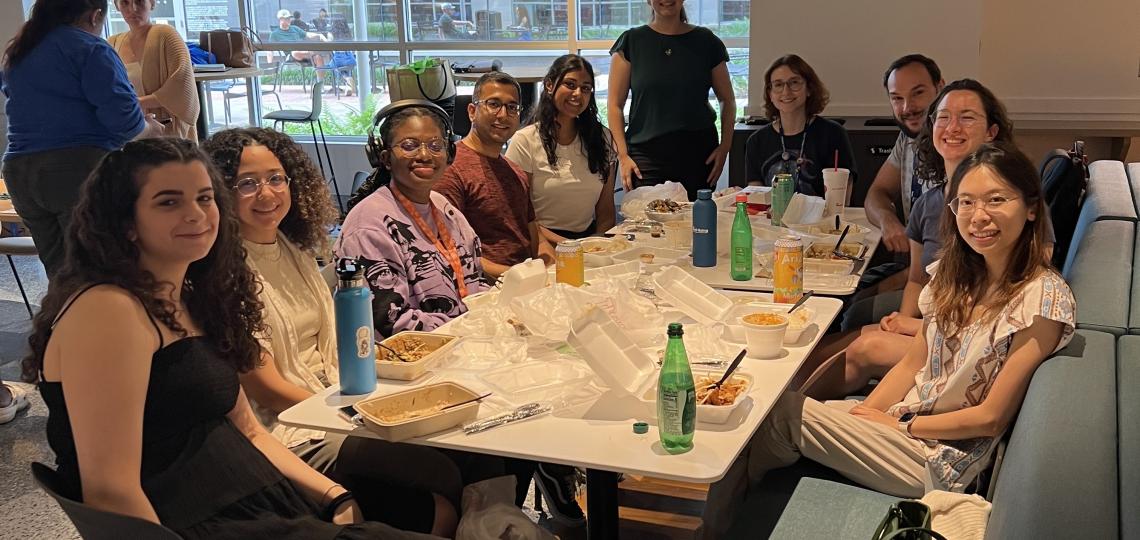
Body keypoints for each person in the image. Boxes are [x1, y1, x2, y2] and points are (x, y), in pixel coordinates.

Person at [25, 138, 439, 539]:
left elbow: (250, 433)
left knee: (441, 510)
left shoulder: (191, 296)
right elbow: (110, 491)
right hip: (207, 520)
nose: (196, 215)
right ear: (125, 223)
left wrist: (335, 496)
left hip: (262, 497)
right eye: (169, 202)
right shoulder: (108, 309)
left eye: (205, 198)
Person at [739, 142, 1074, 517]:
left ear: (1031, 208)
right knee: (762, 417)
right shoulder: (958, 276)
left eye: (996, 200)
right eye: (966, 202)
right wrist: (867, 416)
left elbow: (991, 416)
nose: (978, 216)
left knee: (779, 411)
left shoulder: (1042, 297)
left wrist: (903, 426)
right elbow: (912, 364)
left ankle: (723, 525)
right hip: (905, 428)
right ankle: (757, 511)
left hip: (940, 462)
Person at [204, 128, 497, 536]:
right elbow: (266, 389)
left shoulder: (295, 249)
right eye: (247, 184)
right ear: (218, 191)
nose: (267, 194)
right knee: (440, 474)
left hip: (336, 395)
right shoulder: (223, 273)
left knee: (474, 443)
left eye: (276, 178)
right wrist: (356, 414)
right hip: (291, 428)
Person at [819, 79, 1057, 398]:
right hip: (939, 324)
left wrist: (918, 328)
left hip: (976, 344)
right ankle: (783, 406)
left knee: (863, 344)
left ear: (992, 132)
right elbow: (918, 279)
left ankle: (785, 421)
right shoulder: (928, 203)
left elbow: (1021, 296)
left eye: (967, 117)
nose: (952, 126)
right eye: (943, 117)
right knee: (830, 345)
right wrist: (904, 319)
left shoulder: (1014, 206)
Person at [1, 0, 161, 277]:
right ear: (95, 15)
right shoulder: (90, 48)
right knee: (101, 270)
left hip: (19, 171)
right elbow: (124, 122)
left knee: (61, 274)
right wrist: (151, 129)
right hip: (74, 169)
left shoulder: (21, 50)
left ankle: (66, 320)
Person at [339, 102, 492, 337]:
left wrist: (495, 311)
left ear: (449, 153)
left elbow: (475, 279)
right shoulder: (368, 226)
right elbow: (391, 321)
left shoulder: (444, 207)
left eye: (435, 145)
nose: (424, 155)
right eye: (409, 146)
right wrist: (467, 331)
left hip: (466, 341)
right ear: (385, 158)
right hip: (414, 358)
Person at [607, 0, 735, 201]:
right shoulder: (631, 42)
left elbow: (727, 99)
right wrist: (622, 156)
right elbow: (615, 105)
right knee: (646, 226)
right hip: (646, 156)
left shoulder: (706, 41)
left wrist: (725, 146)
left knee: (696, 224)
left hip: (698, 154)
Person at [434, 72, 556, 278]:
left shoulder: (515, 171)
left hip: (527, 282)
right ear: (472, 111)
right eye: (493, 104)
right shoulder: (450, 170)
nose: (503, 114)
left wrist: (553, 268)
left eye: (512, 107)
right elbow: (450, 252)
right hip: (487, 289)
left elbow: (537, 240)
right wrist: (517, 277)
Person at [505, 54, 616, 246]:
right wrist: (570, 247)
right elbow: (519, 214)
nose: (578, 94)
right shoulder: (525, 141)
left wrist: (597, 244)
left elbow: (606, 210)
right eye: (570, 85)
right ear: (549, 85)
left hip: (589, 242)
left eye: (586, 88)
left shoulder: (602, 138)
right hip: (540, 242)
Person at [864, 54, 945, 254]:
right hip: (914, 263)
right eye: (897, 98)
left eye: (917, 93)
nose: (907, 107)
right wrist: (887, 220)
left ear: (940, 87)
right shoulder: (907, 139)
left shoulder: (955, 143)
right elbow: (877, 193)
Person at [744, 54, 857, 196]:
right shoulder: (756, 141)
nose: (786, 92)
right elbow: (756, 196)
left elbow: (843, 196)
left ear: (809, 88)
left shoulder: (833, 134)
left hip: (823, 217)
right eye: (778, 85)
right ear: (770, 93)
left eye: (794, 83)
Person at [108, 0, 200, 141]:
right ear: (116, 6)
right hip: (132, 132)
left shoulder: (166, 35)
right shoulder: (113, 43)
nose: (133, 9)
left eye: (139, 2)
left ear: (152, 3)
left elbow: (182, 87)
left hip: (167, 132)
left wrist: (135, 103)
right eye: (125, 2)